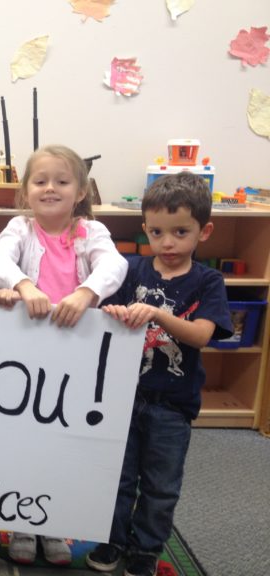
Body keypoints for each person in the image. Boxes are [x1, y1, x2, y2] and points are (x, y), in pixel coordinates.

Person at [0, 144, 128, 566]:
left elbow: (115, 266)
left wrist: (86, 293)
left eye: (62, 181)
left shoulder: (92, 232)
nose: (50, 188)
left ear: (80, 191)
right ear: (25, 191)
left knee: (62, 441)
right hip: (25, 350)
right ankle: (21, 524)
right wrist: (25, 285)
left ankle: (52, 523)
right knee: (23, 436)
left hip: (73, 353)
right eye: (41, 180)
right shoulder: (20, 228)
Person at [87, 172, 232, 576]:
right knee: (117, 477)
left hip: (172, 406)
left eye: (180, 232)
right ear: (145, 229)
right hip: (123, 398)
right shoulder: (131, 270)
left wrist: (157, 314)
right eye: (156, 232)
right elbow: (105, 314)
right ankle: (111, 540)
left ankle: (145, 550)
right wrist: (114, 311)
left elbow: (201, 335)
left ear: (204, 232)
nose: (167, 243)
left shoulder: (208, 281)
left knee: (160, 486)